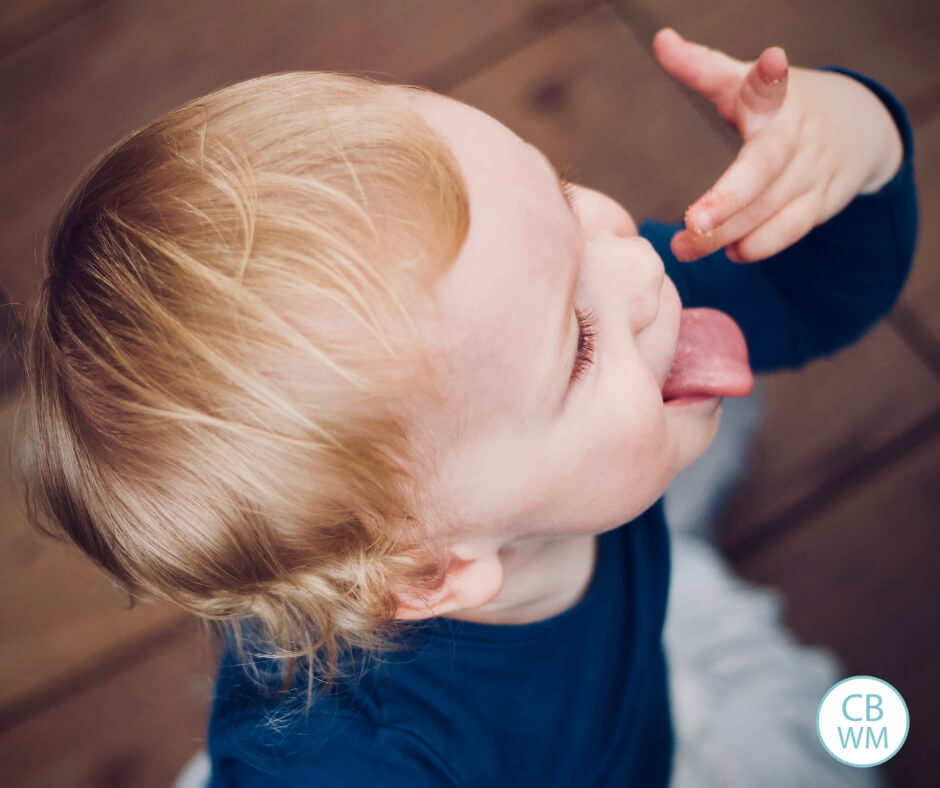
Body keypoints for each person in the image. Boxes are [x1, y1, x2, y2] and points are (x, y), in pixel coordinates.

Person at [15, 26, 916, 787]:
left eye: (564, 196)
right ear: (434, 574)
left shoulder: (531, 340)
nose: (642, 265)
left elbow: (806, 297)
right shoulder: (355, 759)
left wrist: (858, 144)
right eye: (582, 341)